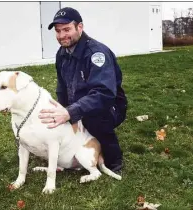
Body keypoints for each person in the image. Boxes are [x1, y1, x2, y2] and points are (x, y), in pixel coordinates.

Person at [38, 7, 128, 174]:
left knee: (93, 119)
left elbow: (104, 94)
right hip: (79, 103)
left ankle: (113, 161)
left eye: (67, 29)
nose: (61, 35)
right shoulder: (62, 53)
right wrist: (62, 110)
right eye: (58, 31)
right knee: (59, 118)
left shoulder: (96, 53)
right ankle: (71, 152)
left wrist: (71, 112)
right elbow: (62, 87)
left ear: (80, 27)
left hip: (109, 106)